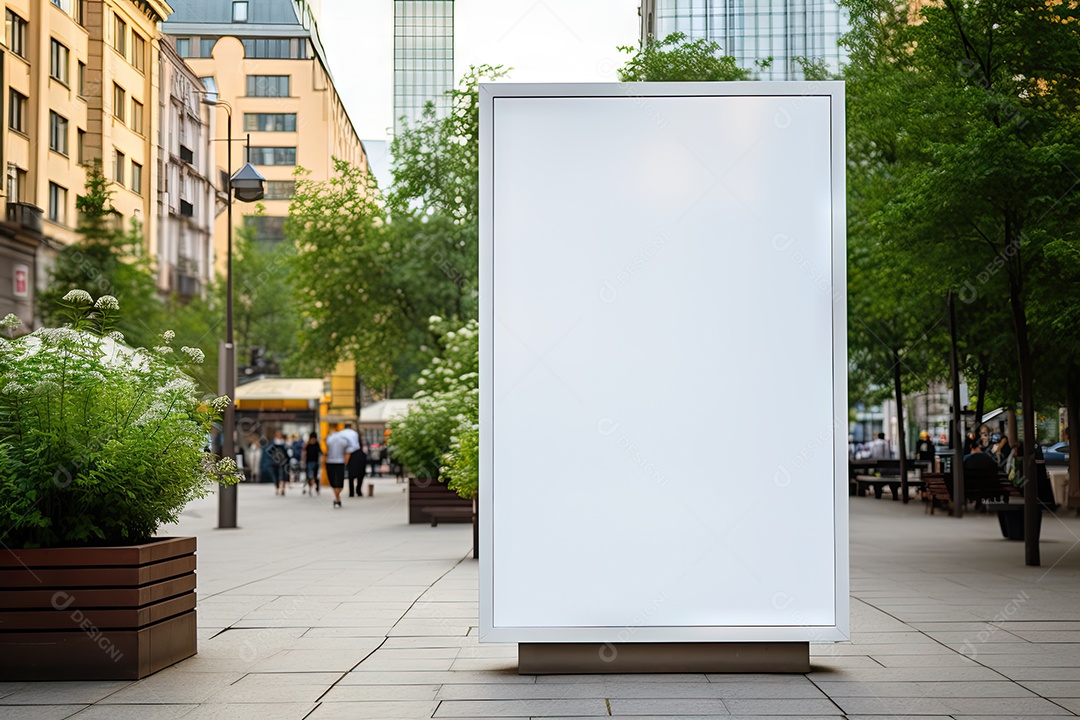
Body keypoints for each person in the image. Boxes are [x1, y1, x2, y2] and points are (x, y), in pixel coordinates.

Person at [324, 427, 350, 508]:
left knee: (333, 481)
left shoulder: (329, 438)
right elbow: (347, 451)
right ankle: (337, 497)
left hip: (330, 461)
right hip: (340, 462)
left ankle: (337, 497)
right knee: (339, 481)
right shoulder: (344, 440)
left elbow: (327, 450)